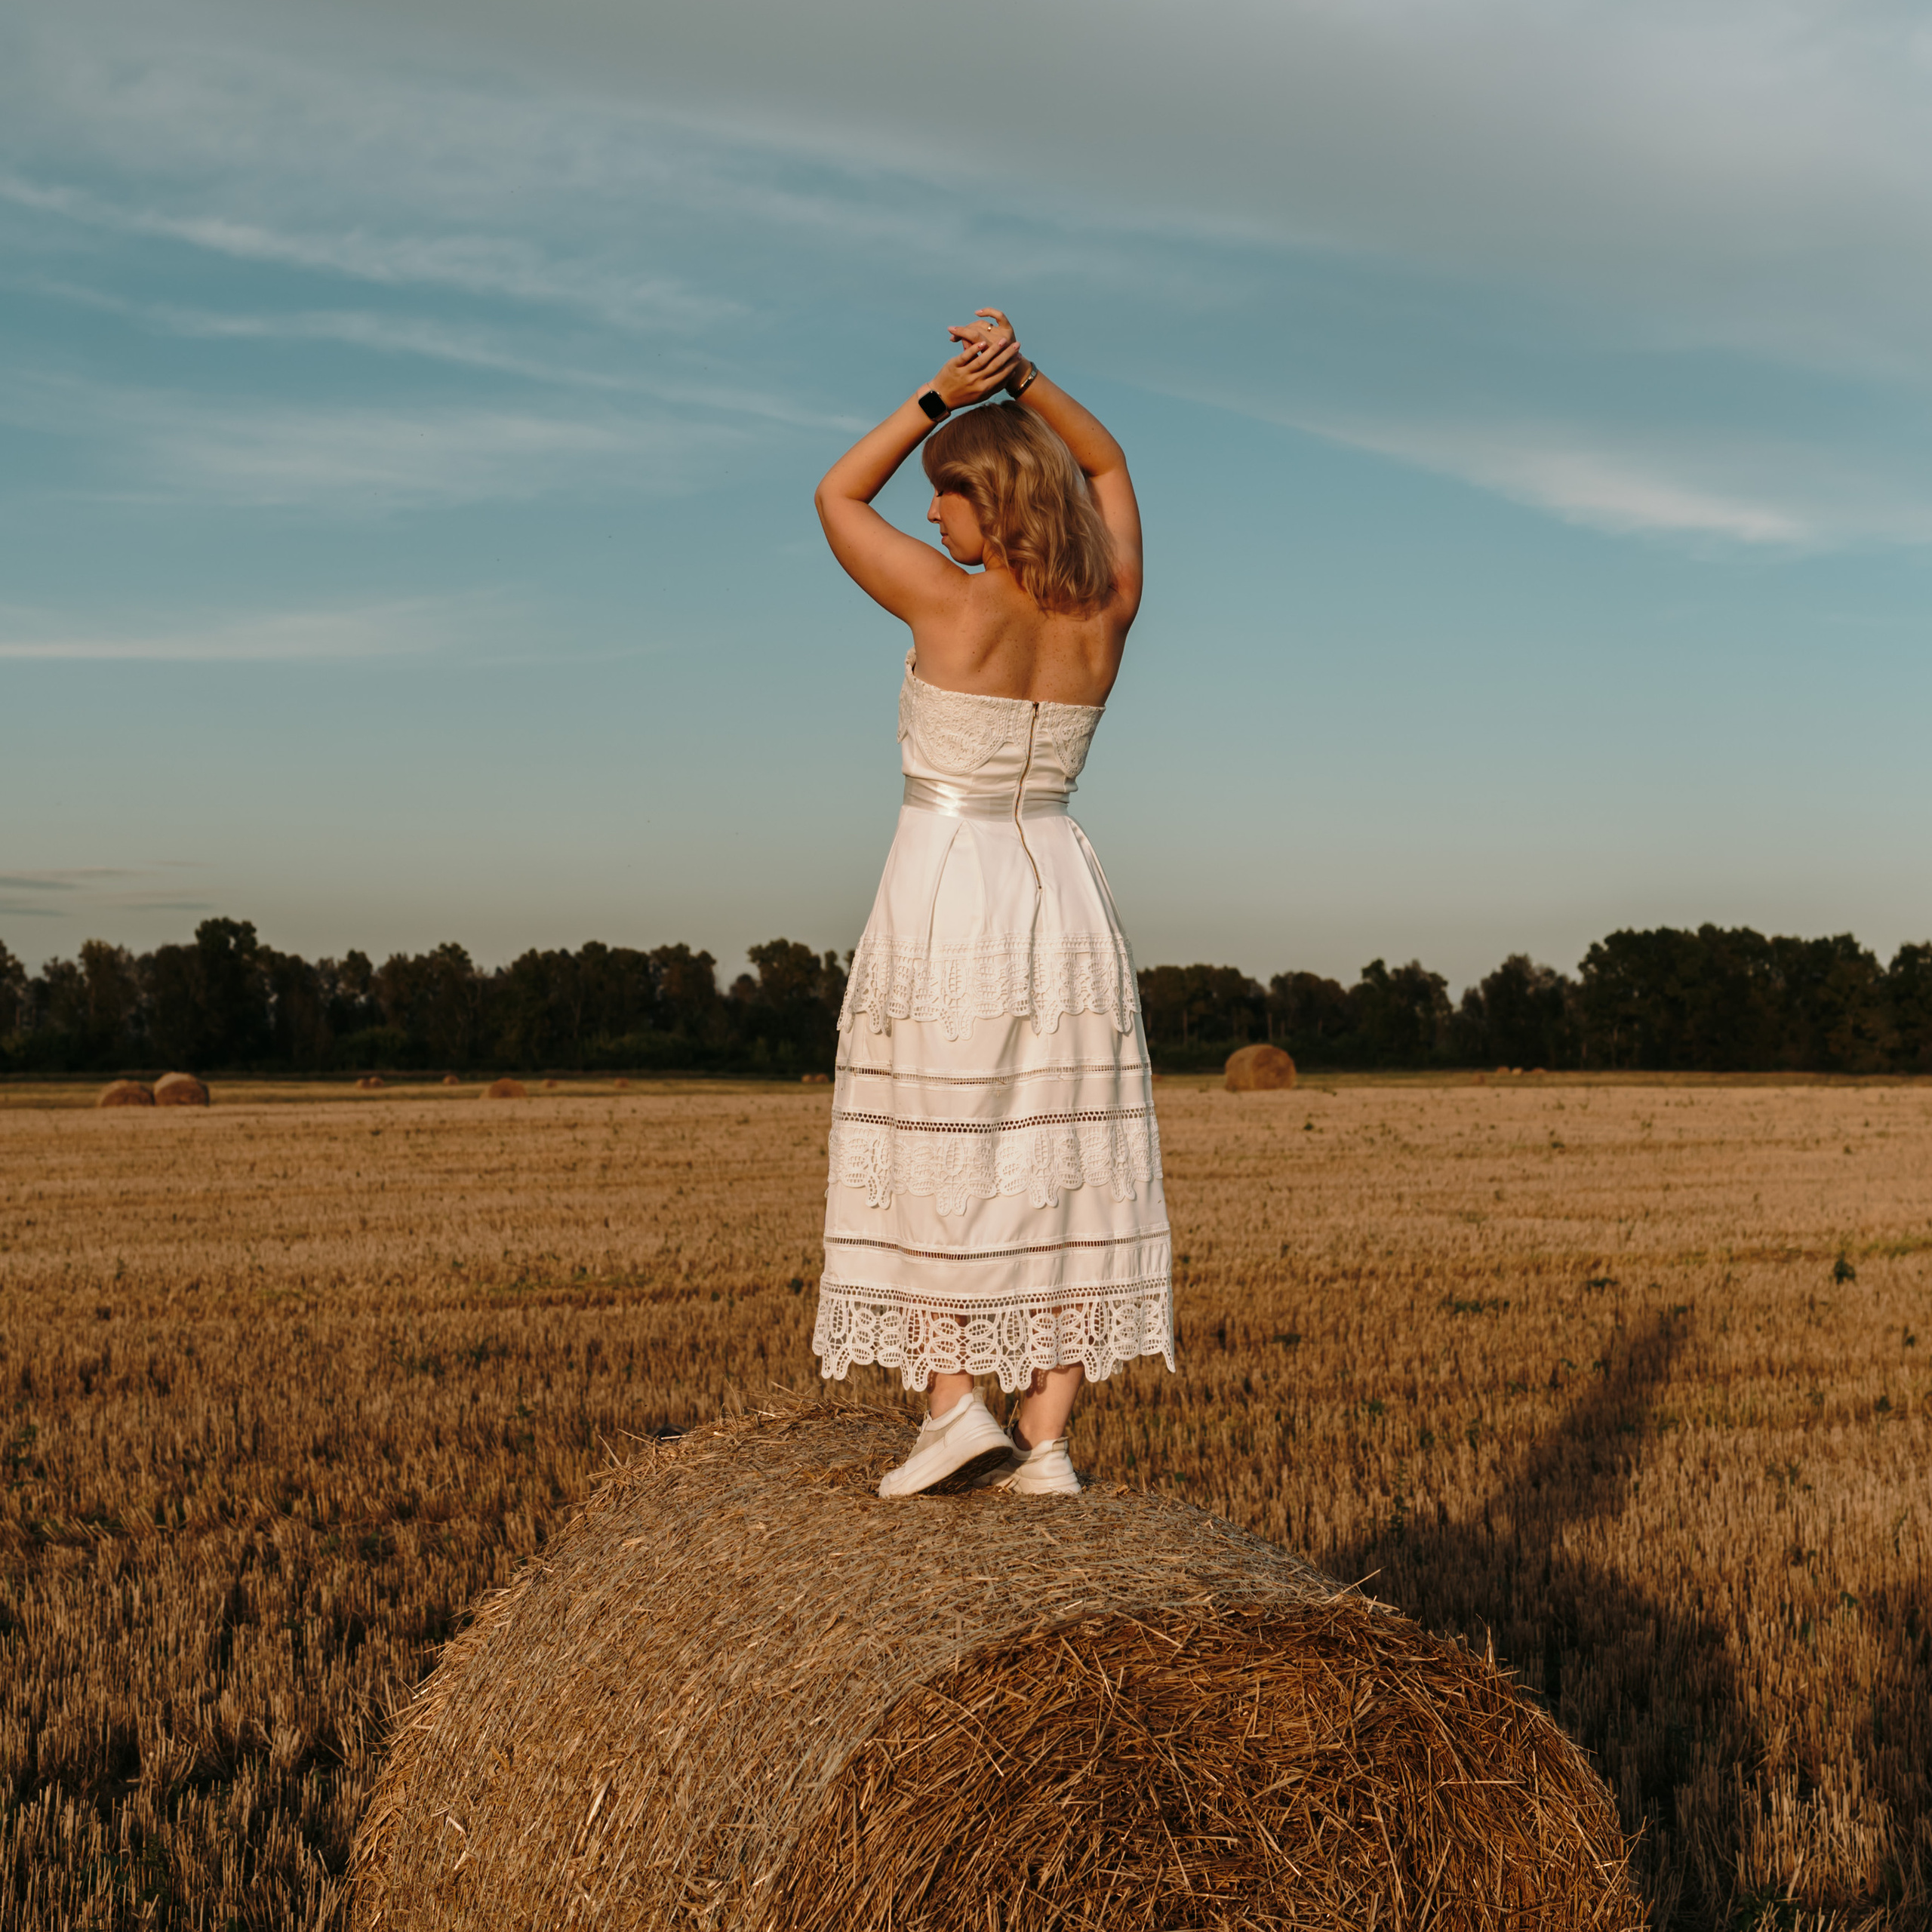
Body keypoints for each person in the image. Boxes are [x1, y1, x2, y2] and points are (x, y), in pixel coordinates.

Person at [811, 308, 1174, 1500]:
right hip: (1062, 886)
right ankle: (1050, 1439)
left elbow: (835, 496)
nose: (931, 516)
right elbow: (1110, 462)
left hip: (948, 882)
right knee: (1065, 1155)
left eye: (947, 497)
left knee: (937, 1147)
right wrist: (1026, 381)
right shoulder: (1106, 612)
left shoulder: (947, 603)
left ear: (991, 504)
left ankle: (957, 1402)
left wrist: (940, 390)